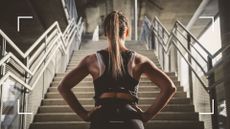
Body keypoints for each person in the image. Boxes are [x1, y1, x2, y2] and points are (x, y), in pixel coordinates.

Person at [58, 11, 177, 129]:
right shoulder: (140, 60)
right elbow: (169, 87)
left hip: (101, 118)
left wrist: (84, 114)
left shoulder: (91, 61)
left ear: (105, 32)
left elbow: (63, 87)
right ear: (127, 31)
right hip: (131, 119)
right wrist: (147, 115)